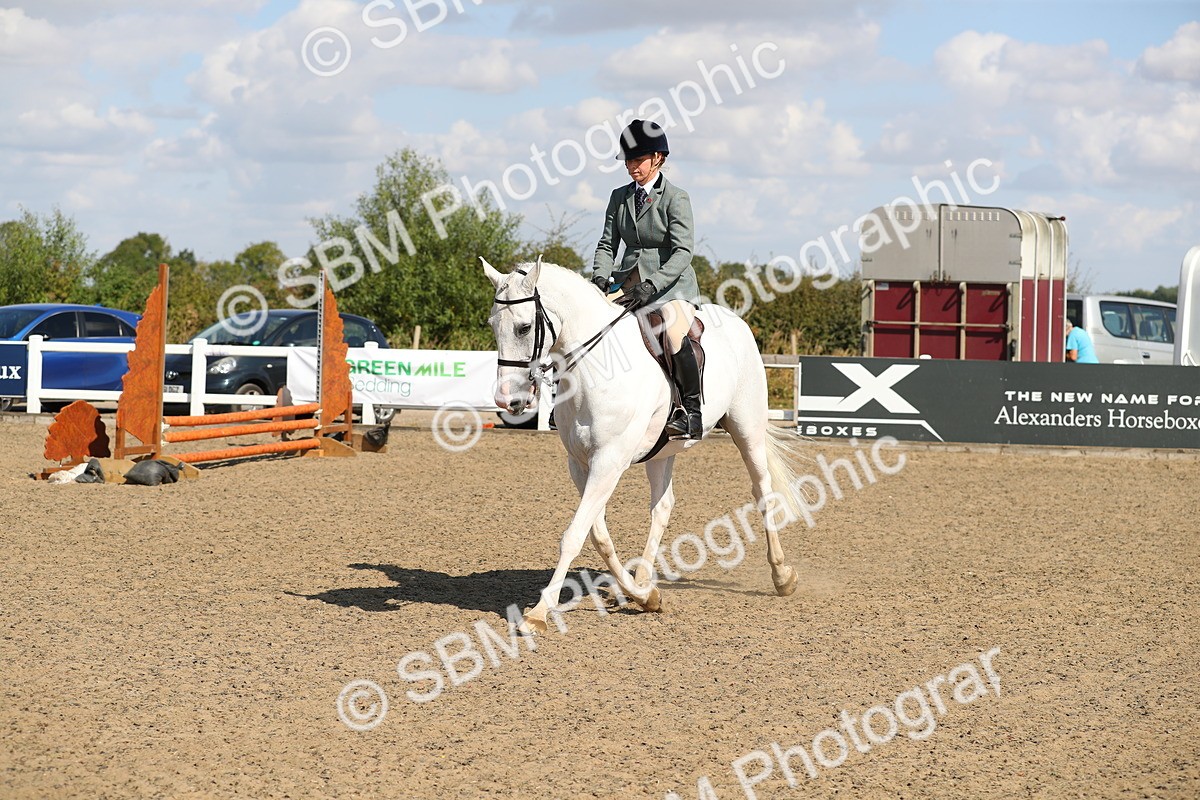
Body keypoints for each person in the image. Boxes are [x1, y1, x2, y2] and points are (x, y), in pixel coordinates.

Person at [591, 119, 703, 438]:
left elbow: (683, 251)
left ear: (657, 158)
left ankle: (690, 412)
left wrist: (652, 285)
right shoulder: (619, 197)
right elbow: (606, 244)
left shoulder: (675, 197)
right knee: (584, 323)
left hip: (671, 287)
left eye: (637, 160)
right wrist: (600, 279)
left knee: (673, 332)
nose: (630, 167)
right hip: (627, 283)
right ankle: (570, 403)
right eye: (627, 161)